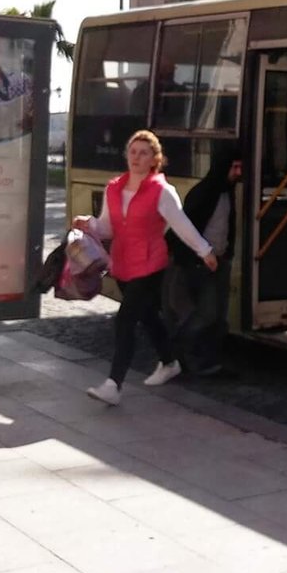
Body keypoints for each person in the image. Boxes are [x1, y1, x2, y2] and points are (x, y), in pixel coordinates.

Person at [73, 130, 218, 405]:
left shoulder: (162, 191)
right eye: (132, 151)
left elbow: (181, 224)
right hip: (123, 263)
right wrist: (88, 223)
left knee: (126, 319)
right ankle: (169, 362)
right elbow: (106, 226)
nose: (136, 157)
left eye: (143, 153)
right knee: (148, 315)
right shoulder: (114, 187)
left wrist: (205, 250)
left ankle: (113, 384)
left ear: (154, 159)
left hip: (151, 263)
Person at [163, 147, 242, 376]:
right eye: (234, 167)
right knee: (206, 313)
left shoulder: (228, 192)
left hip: (219, 261)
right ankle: (173, 347)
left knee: (218, 317)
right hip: (197, 263)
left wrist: (226, 255)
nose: (238, 173)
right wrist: (197, 258)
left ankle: (208, 362)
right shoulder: (205, 192)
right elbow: (184, 230)